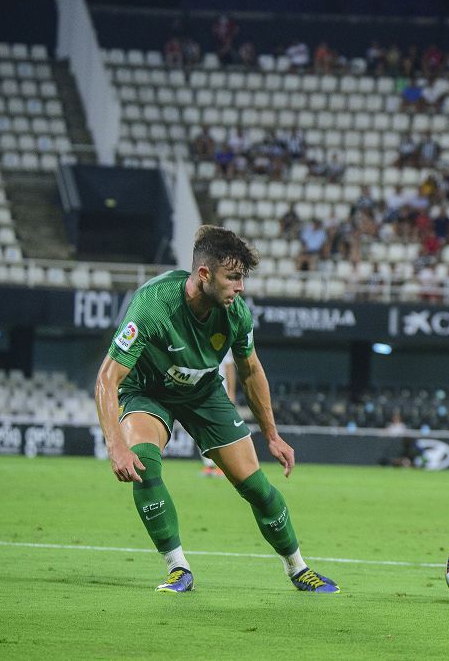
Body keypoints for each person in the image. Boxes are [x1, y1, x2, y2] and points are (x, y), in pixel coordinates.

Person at [94, 225, 339, 594]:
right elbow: (106, 379)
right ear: (204, 274)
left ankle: (298, 568)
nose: (240, 287)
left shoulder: (236, 314)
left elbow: (251, 370)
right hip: (147, 391)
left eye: (242, 278)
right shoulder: (153, 304)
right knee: (143, 463)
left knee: (256, 486)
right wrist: (115, 444)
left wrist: (272, 435)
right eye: (233, 277)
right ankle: (178, 569)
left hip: (203, 392)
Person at [200, 351, 236, 478]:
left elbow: (229, 367)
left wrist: (231, 392)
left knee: (222, 430)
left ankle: (223, 466)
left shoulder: (224, 337)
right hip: (200, 392)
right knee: (202, 428)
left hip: (220, 392)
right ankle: (209, 465)